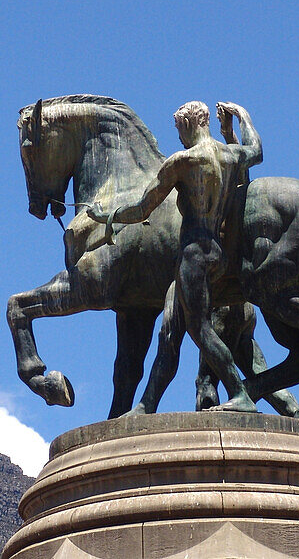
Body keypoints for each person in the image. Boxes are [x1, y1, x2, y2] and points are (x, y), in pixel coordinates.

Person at [88, 101, 262, 412]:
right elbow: (256, 150)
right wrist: (241, 117)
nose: (178, 136)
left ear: (188, 124)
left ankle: (240, 394)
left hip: (193, 254)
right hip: (217, 254)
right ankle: (145, 405)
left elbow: (143, 207)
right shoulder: (227, 155)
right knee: (172, 330)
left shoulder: (183, 161)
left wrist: (107, 216)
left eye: (179, 128)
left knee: (199, 330)